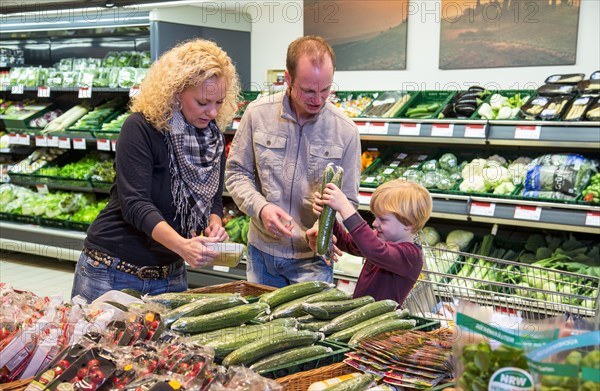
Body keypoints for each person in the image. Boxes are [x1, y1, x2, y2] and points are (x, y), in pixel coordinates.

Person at [71, 39, 241, 302]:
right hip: (113, 270)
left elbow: (215, 200)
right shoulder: (141, 128)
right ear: (175, 91)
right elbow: (135, 203)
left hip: (171, 274)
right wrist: (182, 246)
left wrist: (214, 225)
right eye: (203, 102)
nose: (212, 112)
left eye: (219, 102)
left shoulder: (212, 139)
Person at [225, 36, 361, 287]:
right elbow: (236, 173)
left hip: (313, 259)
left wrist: (325, 227)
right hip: (262, 255)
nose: (318, 99)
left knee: (309, 328)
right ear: (288, 79)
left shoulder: (346, 131)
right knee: (262, 325)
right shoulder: (257, 114)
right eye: (309, 90)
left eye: (326, 89)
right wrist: (261, 208)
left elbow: (349, 198)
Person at [307, 180, 433, 305]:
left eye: (383, 220)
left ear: (408, 224)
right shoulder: (380, 240)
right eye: (375, 217)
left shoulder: (410, 255)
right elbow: (347, 242)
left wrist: (345, 207)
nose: (374, 223)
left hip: (384, 322)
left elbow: (374, 250)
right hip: (363, 317)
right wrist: (328, 215)